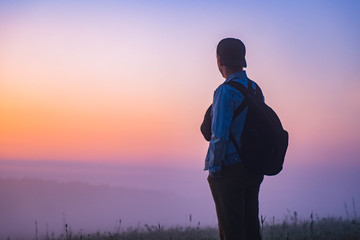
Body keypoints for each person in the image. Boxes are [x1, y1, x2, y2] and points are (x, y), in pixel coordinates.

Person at [201, 38, 264, 240]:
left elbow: (219, 135)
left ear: (219, 60)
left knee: (231, 232)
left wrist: (214, 169)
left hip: (230, 171)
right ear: (242, 59)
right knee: (251, 229)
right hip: (253, 168)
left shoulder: (224, 91)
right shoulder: (255, 89)